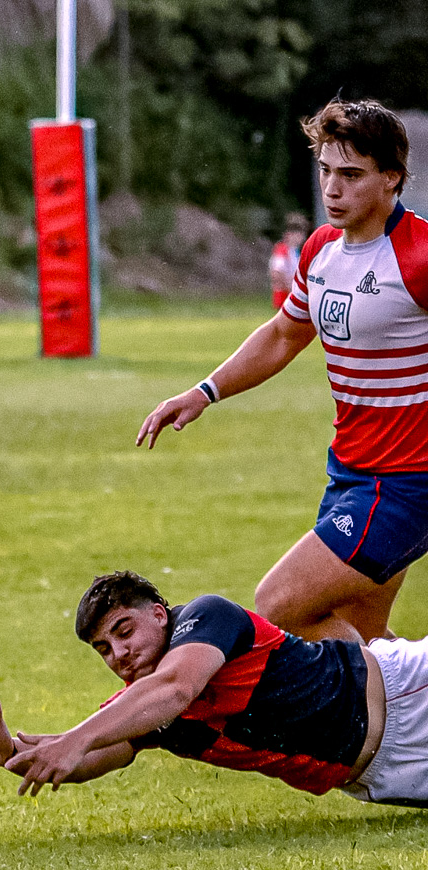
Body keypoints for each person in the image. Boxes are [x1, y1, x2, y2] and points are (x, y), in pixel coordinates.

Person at [139, 98, 428, 645]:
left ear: (392, 178)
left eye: (351, 174)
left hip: (408, 482)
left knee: (281, 602)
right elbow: (283, 334)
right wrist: (205, 391)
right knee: (361, 637)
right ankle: (407, 716)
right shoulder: (320, 250)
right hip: (349, 472)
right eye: (325, 170)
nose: (332, 188)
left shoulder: (418, 256)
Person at [0, 571, 427, 809]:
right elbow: (91, 756)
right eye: (103, 649)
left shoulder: (207, 617)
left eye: (124, 630)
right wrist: (12, 751)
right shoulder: (139, 706)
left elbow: (175, 688)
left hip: (408, 691)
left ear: (159, 612)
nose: (118, 654)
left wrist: (72, 739)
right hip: (381, 778)